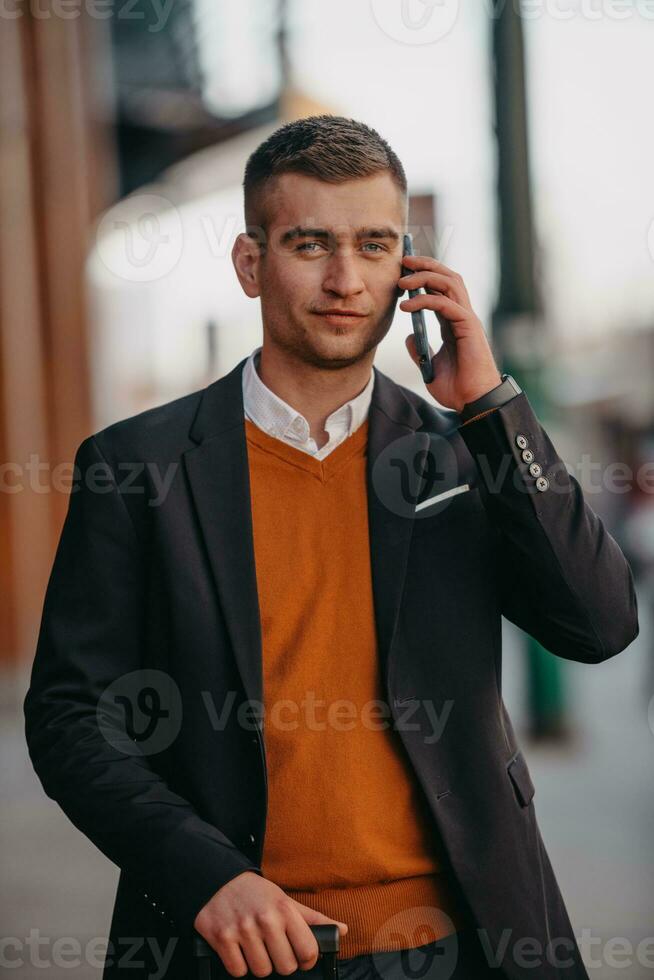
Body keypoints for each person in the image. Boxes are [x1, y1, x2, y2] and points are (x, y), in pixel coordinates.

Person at [24, 115, 639, 980]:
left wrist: (494, 407)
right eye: (310, 244)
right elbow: (68, 718)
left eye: (374, 245)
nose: (346, 279)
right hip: (228, 949)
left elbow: (600, 624)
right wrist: (204, 876)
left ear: (409, 267)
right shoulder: (137, 467)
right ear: (251, 263)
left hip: (462, 944)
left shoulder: (463, 454)